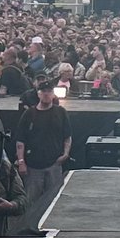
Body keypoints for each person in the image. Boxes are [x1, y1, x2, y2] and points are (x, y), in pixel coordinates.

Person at [14, 80, 72, 210]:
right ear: (38, 94)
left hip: (54, 164)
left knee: (54, 201)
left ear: (53, 94)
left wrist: (65, 154)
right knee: (30, 203)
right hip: (33, 166)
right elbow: (20, 140)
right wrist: (21, 161)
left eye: (49, 91)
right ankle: (28, 227)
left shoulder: (61, 112)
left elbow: (67, 136)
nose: (46, 94)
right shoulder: (29, 114)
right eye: (43, 92)